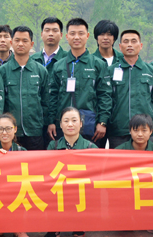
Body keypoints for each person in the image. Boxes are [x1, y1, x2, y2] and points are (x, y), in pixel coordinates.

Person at [48, 18, 112, 147]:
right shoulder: (59, 65)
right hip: (64, 125)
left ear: (87, 36)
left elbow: (105, 95)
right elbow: (52, 96)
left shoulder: (98, 64)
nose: (76, 37)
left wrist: (102, 122)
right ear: (67, 36)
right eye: (72, 33)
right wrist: (51, 122)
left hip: (90, 125)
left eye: (81, 33)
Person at [45, 107, 98, 237]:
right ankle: (55, 226)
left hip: (82, 189)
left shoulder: (91, 147)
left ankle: (79, 223)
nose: (70, 124)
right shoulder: (53, 146)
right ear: (60, 125)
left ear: (81, 124)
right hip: (59, 188)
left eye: (74, 121)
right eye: (66, 121)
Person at [0, 26, 50, 151]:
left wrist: (46, 123)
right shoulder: (2, 71)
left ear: (31, 44)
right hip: (10, 133)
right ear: (11, 42)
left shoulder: (40, 70)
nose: (20, 44)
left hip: (34, 131)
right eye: (17, 40)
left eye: (25, 40)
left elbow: (46, 102)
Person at [106, 30, 153, 149]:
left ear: (141, 45)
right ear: (120, 46)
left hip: (145, 130)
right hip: (119, 130)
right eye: (126, 41)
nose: (130, 45)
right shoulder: (110, 71)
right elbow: (107, 99)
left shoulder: (152, 71)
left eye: (134, 41)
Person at [114, 113, 153, 235]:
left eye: (144, 130)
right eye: (136, 130)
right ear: (130, 131)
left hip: (151, 189)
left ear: (151, 131)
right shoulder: (119, 151)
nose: (140, 134)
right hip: (128, 189)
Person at [0, 113, 30, 237]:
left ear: (15, 129)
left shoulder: (22, 151)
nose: (4, 133)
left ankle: (19, 228)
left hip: (16, 188)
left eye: (8, 128)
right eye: (0, 129)